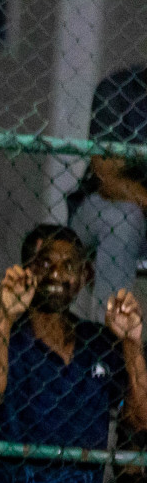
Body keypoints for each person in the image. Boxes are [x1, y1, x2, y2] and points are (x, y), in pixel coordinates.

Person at [0, 225, 147, 483]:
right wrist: (5, 317)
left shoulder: (99, 342)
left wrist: (131, 342)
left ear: (84, 277)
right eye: (45, 263)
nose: (57, 274)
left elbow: (140, 419)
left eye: (69, 265)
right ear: (25, 272)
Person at [70, 66, 147, 323]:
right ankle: (107, 345)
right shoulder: (120, 90)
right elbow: (108, 177)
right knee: (123, 219)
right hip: (103, 207)